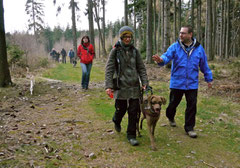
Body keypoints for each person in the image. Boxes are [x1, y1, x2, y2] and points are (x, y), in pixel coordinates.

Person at [152, 25, 213, 138]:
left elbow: (204, 64)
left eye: (183, 33)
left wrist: (209, 78)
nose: (180, 35)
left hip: (192, 84)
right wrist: (160, 60)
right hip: (177, 83)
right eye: (180, 33)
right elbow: (166, 56)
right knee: (173, 104)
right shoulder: (175, 47)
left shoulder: (199, 49)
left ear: (190, 35)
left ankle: (189, 128)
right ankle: (170, 116)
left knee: (192, 106)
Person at [105, 26, 148, 146]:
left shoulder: (135, 51)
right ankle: (116, 120)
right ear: (121, 37)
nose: (128, 39)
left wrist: (144, 82)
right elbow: (109, 69)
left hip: (134, 86)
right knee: (121, 109)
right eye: (125, 37)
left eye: (129, 37)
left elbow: (141, 68)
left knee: (134, 111)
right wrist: (109, 86)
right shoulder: (115, 51)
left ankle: (131, 135)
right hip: (121, 86)